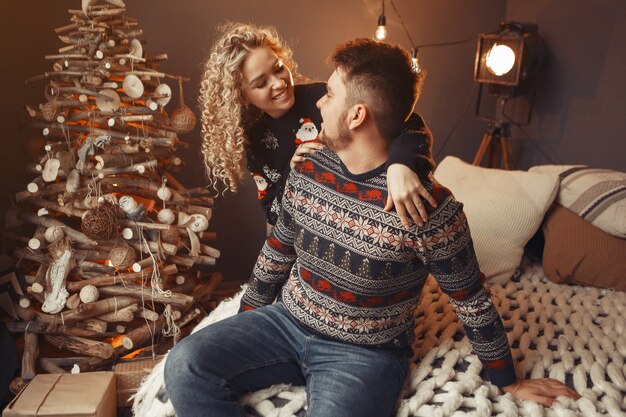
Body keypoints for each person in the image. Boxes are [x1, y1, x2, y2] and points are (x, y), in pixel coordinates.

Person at [164, 39, 580, 417]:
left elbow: (472, 300)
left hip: (363, 356)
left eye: (328, 95)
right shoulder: (307, 166)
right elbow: (277, 251)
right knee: (184, 364)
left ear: (357, 114)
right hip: (287, 322)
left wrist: (509, 380)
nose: (319, 105)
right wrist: (245, 326)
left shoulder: (429, 208)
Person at [198, 22, 436, 234]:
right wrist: (293, 173)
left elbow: (407, 121)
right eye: (261, 83)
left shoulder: (324, 98)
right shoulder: (252, 138)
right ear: (242, 96)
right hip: (300, 233)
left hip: (360, 215)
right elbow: (273, 213)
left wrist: (401, 165)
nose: (279, 82)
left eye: (279, 67)